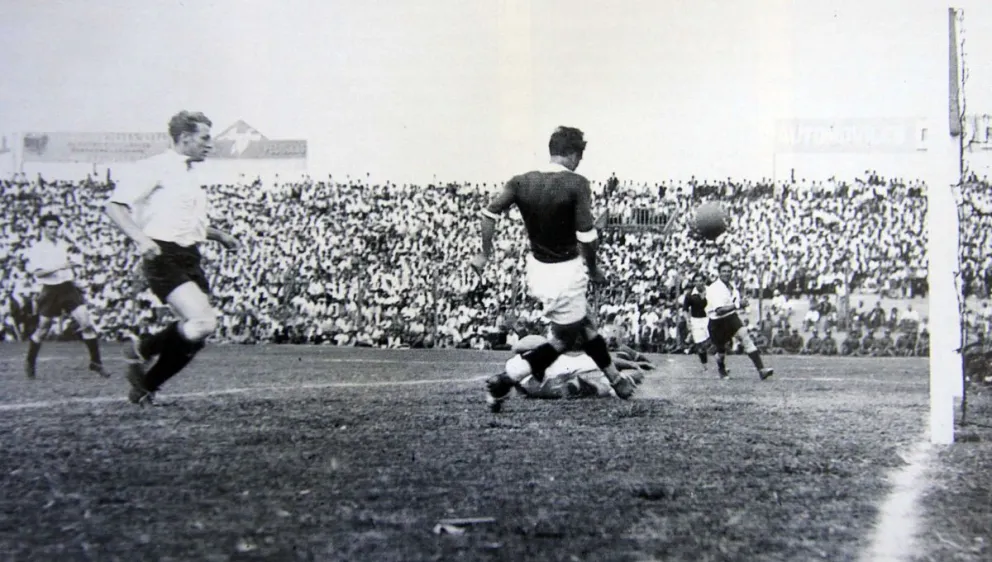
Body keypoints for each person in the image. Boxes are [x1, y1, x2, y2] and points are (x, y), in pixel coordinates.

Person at [470, 126, 638, 412]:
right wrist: (594, 269)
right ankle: (505, 380)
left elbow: (489, 212)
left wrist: (484, 253)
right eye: (579, 157)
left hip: (537, 269)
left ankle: (617, 380)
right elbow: (586, 235)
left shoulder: (520, 181)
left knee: (584, 325)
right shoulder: (576, 183)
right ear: (572, 154)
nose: (578, 163)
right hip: (566, 271)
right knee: (564, 340)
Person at [104, 110, 241, 405]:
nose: (210, 144)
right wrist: (141, 239)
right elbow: (115, 206)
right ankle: (141, 349)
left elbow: (185, 223)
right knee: (202, 322)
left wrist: (220, 236)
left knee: (197, 333)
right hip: (162, 253)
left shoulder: (190, 175)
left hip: (190, 255)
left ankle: (146, 386)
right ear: (185, 138)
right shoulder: (155, 166)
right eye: (204, 138)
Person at [22, 213, 109, 379]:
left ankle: (96, 362)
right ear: (43, 228)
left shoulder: (63, 245)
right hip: (50, 290)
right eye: (50, 227)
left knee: (86, 323)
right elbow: (38, 273)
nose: (54, 230)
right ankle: (30, 361)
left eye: (56, 227)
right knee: (43, 329)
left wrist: (75, 276)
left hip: (68, 288)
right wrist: (60, 266)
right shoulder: (37, 248)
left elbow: (68, 266)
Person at [510, 334, 650, 400]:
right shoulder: (516, 367)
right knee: (579, 386)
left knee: (587, 384)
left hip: (563, 380)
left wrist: (632, 365)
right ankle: (625, 372)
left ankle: (628, 370)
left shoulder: (560, 364)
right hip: (557, 385)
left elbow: (600, 361)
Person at [704, 261, 774, 380]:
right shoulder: (714, 288)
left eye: (729, 271)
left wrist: (743, 303)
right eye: (724, 271)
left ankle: (761, 370)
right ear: (719, 273)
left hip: (731, 318)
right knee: (721, 352)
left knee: (746, 338)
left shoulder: (732, 287)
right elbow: (719, 310)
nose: (726, 273)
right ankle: (721, 369)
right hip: (717, 322)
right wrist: (738, 305)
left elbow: (734, 305)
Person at [682, 274, 710, 371]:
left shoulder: (710, 291)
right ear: (694, 282)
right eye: (696, 281)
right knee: (700, 346)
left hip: (709, 318)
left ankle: (721, 364)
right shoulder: (690, 295)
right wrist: (688, 321)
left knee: (714, 341)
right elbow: (685, 309)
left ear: (704, 282)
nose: (698, 283)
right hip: (696, 321)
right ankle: (705, 367)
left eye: (700, 281)